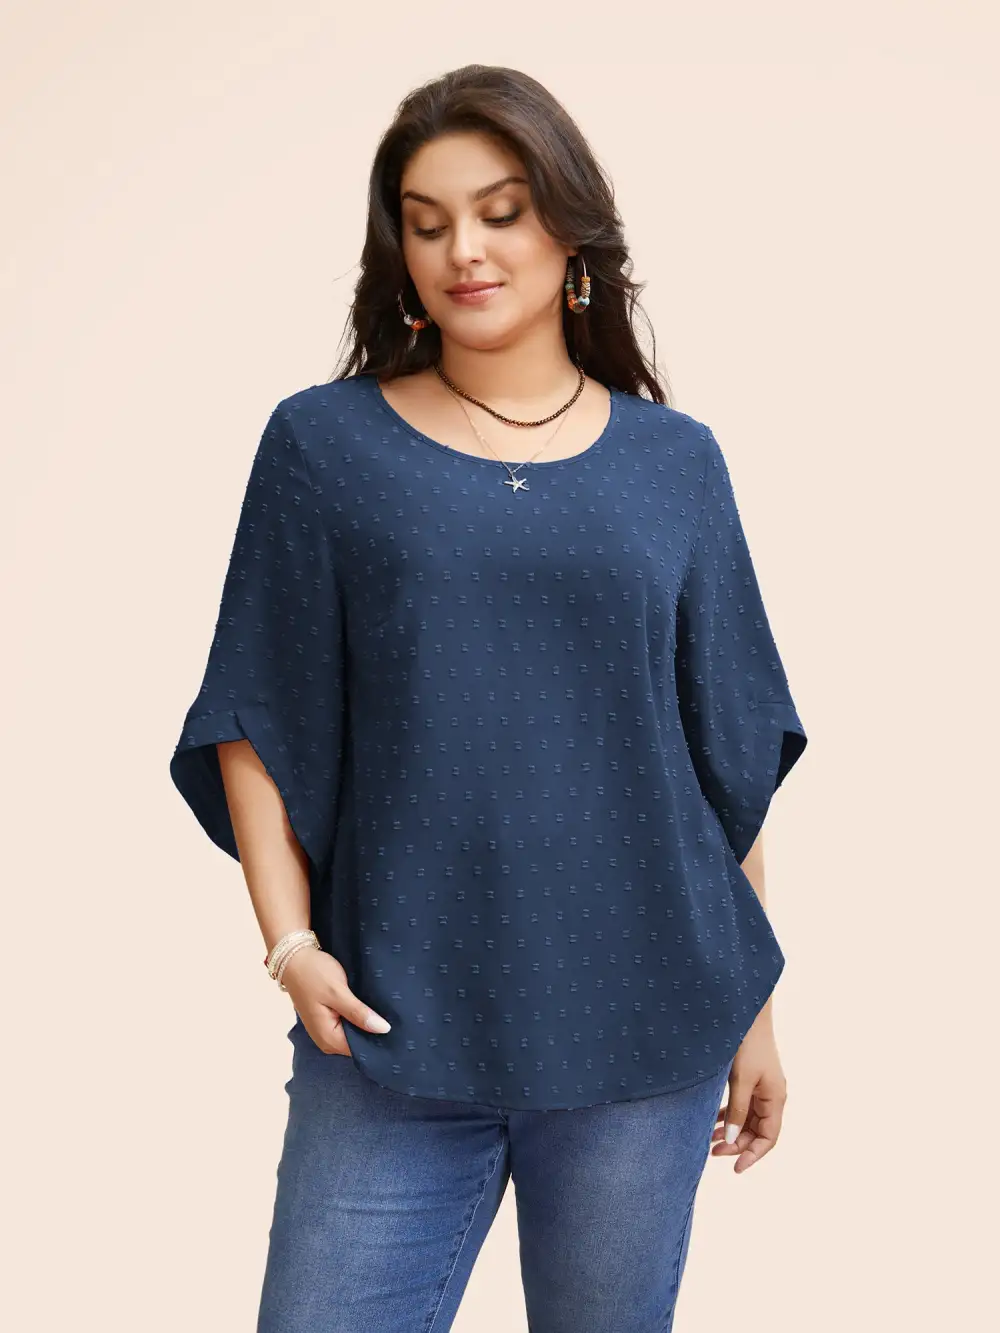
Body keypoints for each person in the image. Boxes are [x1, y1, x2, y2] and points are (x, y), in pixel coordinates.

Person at [169, 63, 808, 1333]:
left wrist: (754, 1015)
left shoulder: (675, 463)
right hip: (391, 1022)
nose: (464, 248)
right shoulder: (323, 446)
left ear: (568, 233)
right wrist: (291, 950)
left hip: (645, 1027)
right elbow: (254, 709)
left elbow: (723, 757)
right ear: (399, 255)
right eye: (428, 222)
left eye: (500, 211)